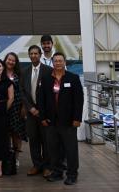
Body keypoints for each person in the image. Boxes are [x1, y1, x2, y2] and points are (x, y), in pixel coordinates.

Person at [39, 52, 84, 185]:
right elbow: (41, 100)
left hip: (69, 121)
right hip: (51, 121)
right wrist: (42, 117)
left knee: (70, 149)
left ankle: (72, 174)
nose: (58, 63)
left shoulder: (73, 78)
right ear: (52, 63)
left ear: (65, 62)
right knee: (53, 149)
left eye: (60, 61)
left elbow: (79, 100)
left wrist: (77, 118)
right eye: (56, 61)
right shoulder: (46, 79)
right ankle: (57, 172)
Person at [22, 45, 52, 177]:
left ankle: (47, 166)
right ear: (29, 55)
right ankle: (36, 165)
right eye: (31, 53)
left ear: (40, 55)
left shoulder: (48, 70)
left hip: (44, 112)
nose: (33, 55)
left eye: (36, 53)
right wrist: (30, 108)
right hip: (30, 112)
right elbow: (22, 92)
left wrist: (41, 109)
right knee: (33, 139)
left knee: (46, 140)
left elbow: (50, 92)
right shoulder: (25, 71)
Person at [4, 52, 27, 166]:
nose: (11, 62)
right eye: (9, 59)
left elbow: (23, 91)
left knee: (16, 133)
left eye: (13, 60)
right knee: (5, 133)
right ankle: (6, 157)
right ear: (5, 60)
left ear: (16, 62)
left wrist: (23, 106)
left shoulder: (20, 74)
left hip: (17, 107)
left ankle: (16, 158)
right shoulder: (0, 72)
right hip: (4, 107)